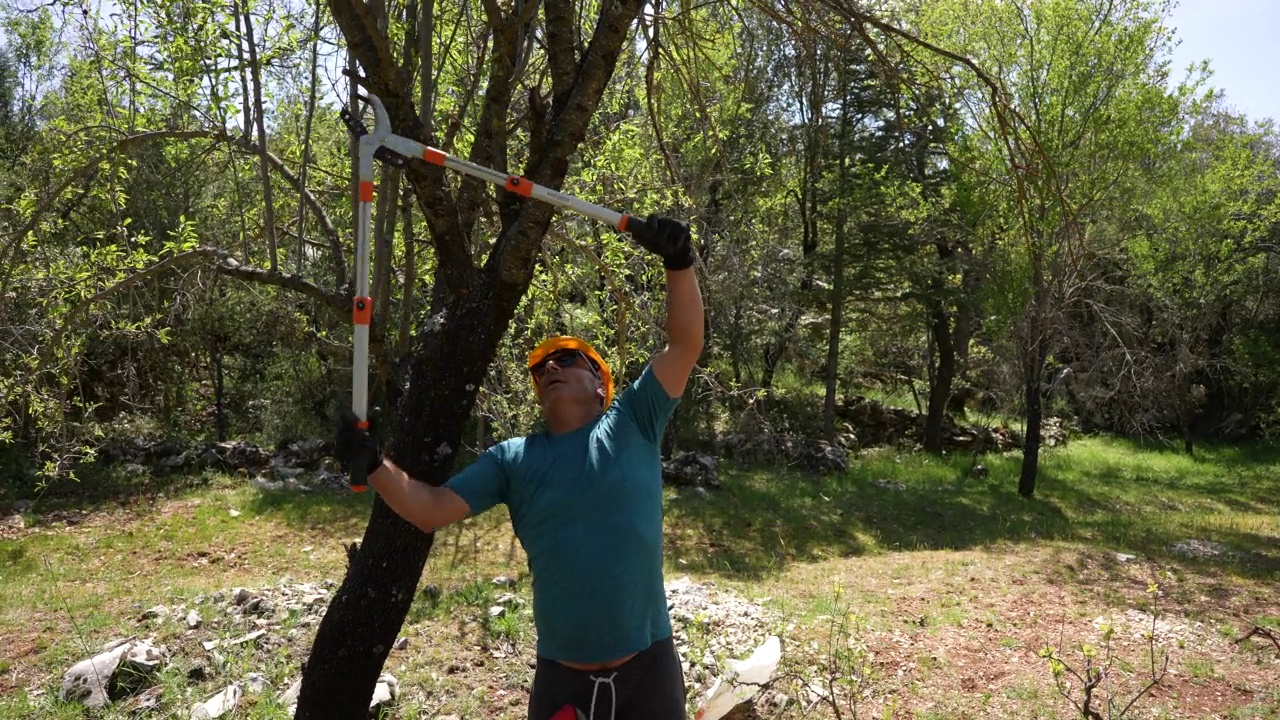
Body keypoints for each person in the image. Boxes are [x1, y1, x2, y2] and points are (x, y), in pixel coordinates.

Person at [335, 215, 703, 720]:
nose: (550, 366)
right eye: (540, 368)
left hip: (650, 672)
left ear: (601, 384)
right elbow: (430, 510)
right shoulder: (513, 458)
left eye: (568, 358)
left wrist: (678, 262)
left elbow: (684, 345)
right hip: (562, 682)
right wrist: (373, 464)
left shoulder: (635, 418)